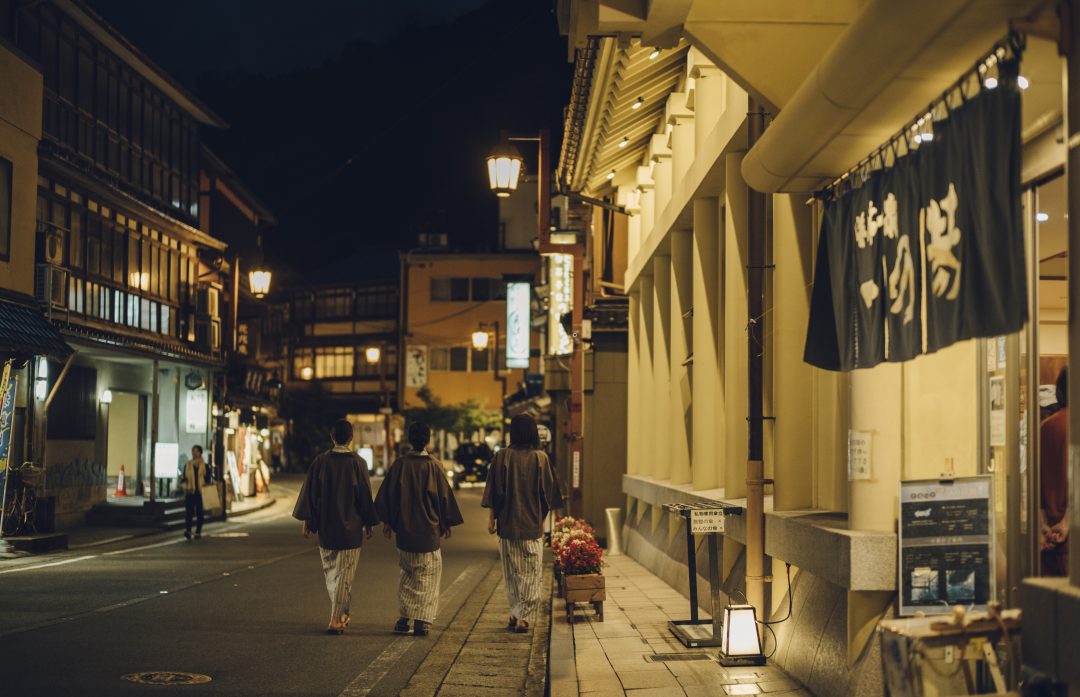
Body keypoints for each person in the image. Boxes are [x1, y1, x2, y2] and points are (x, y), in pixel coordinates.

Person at [375, 422, 463, 637]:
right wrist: (447, 522)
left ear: (409, 439)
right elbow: (443, 497)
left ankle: (404, 618)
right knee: (429, 575)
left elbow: (389, 497)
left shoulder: (400, 465)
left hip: (404, 530)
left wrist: (387, 522)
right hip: (429, 530)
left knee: (407, 573)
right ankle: (422, 621)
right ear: (428, 440)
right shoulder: (434, 466)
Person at [293, 419, 379, 634]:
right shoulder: (358, 463)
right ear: (351, 438)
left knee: (331, 573)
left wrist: (307, 522)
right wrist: (369, 522)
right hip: (351, 530)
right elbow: (364, 497)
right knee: (345, 576)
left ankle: (339, 614)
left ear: (332, 437)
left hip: (326, 527)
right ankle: (336, 618)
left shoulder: (320, 462)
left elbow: (311, 495)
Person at [483, 414, 563, 633]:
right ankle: (523, 617)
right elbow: (548, 496)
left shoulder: (501, 457)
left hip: (507, 526)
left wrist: (492, 518)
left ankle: (516, 611)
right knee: (530, 572)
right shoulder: (541, 458)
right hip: (531, 526)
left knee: (512, 573)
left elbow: (493, 492)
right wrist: (540, 518)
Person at [1039, 367, 1070, 576]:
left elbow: (1035, 482)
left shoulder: (1046, 427)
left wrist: (1041, 524)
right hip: (1071, 536)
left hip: (1050, 539)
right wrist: (1067, 522)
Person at [181, 445, 209, 540]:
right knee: (189, 512)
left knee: (199, 512)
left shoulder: (205, 466)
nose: (194, 453)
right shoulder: (188, 464)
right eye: (193, 451)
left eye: (196, 451)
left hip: (200, 492)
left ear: (200, 453)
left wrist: (205, 483)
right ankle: (188, 531)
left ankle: (198, 531)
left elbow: (208, 479)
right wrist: (185, 487)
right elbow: (183, 478)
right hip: (190, 492)